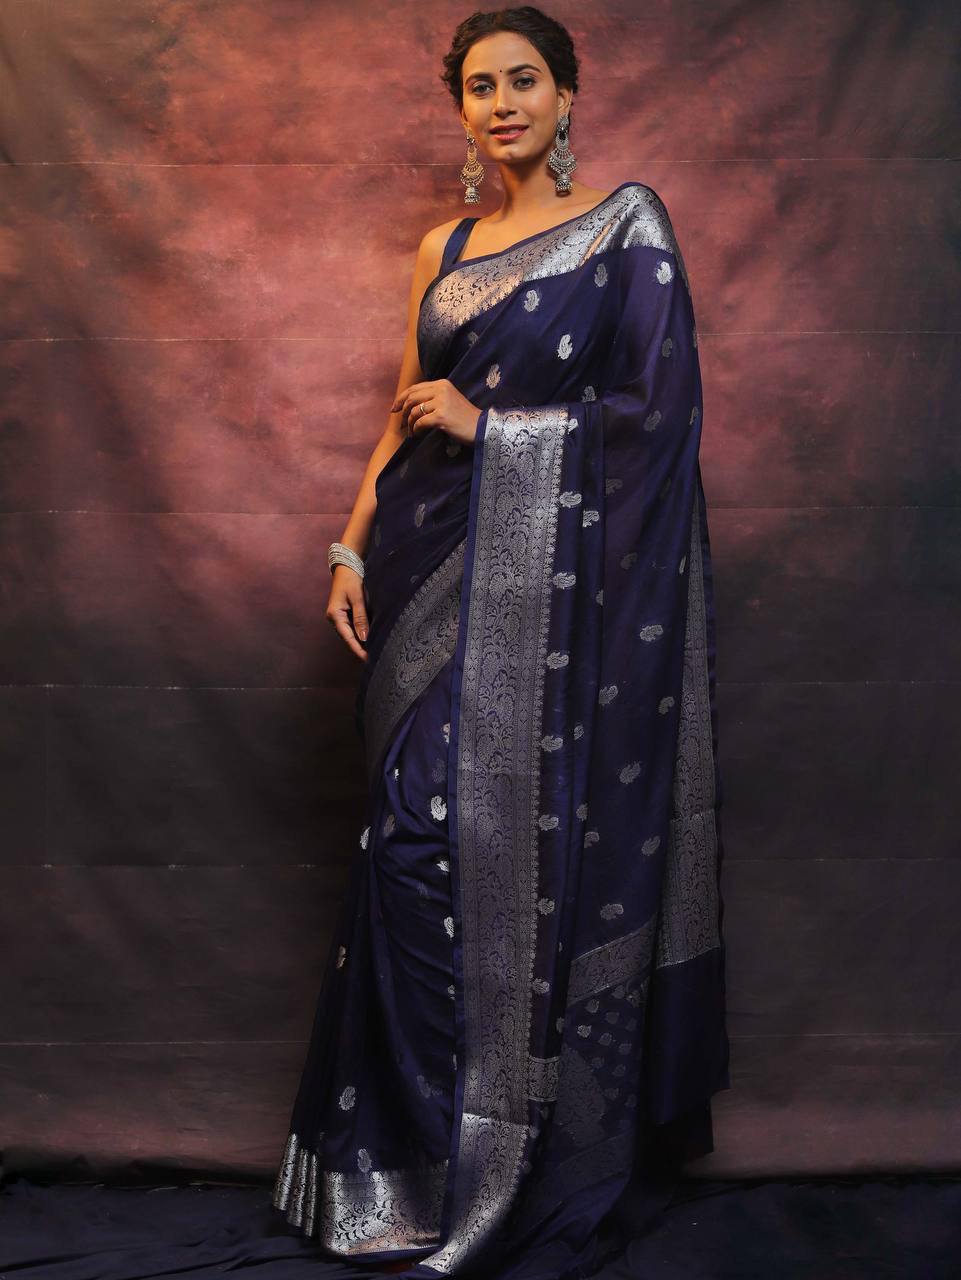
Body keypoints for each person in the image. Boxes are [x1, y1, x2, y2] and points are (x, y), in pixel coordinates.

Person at [272, 7, 729, 1277]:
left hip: (551, 589)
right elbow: (400, 412)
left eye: (524, 80)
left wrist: (501, 430)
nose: (502, 103)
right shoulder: (448, 244)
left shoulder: (627, 228)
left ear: (567, 96)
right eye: (479, 87)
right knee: (408, 847)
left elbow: (657, 417)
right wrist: (350, 543)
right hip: (425, 567)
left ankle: (507, 1154)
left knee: (481, 846)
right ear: (461, 113)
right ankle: (412, 1164)